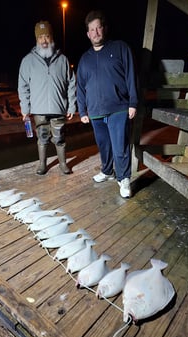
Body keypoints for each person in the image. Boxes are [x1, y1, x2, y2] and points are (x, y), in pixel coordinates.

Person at [76, 10, 138, 198]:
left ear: (104, 29)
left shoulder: (120, 48)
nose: (95, 32)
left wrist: (133, 102)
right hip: (95, 111)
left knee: (120, 145)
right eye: (91, 30)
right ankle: (107, 171)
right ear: (88, 34)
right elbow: (80, 86)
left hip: (118, 108)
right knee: (104, 145)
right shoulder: (84, 59)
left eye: (98, 28)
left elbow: (131, 76)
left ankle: (124, 178)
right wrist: (82, 110)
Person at [18, 20, 76, 175]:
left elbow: (71, 83)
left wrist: (71, 106)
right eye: (40, 37)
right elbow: (22, 86)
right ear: (36, 39)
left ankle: (63, 164)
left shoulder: (63, 59)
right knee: (42, 138)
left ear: (52, 38)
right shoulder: (27, 61)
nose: (44, 40)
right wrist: (25, 108)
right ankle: (42, 164)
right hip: (38, 110)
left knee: (60, 138)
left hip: (58, 108)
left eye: (47, 36)